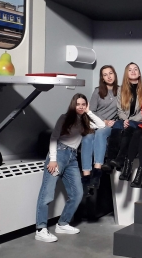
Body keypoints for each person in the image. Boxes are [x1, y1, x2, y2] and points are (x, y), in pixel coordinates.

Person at [35, 94, 105, 243]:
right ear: (73, 105)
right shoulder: (64, 118)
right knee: (47, 194)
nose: (80, 106)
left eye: (83, 104)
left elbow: (101, 125)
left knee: (77, 193)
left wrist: (89, 112)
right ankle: (40, 229)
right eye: (78, 104)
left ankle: (63, 223)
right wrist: (53, 159)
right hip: (59, 155)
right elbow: (54, 137)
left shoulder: (85, 121)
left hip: (72, 158)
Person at [81, 65, 119, 189]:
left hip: (110, 125)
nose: (109, 76)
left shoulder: (121, 91)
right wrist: (104, 120)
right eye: (105, 75)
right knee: (87, 138)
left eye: (111, 73)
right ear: (102, 78)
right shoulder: (97, 91)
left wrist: (112, 122)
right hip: (96, 122)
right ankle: (86, 176)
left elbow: (124, 110)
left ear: (115, 74)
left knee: (101, 133)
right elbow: (91, 110)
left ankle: (97, 171)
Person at [106, 62, 142, 171]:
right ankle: (109, 162)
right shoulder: (121, 89)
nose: (133, 71)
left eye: (135, 69)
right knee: (116, 125)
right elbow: (119, 109)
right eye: (130, 70)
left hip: (138, 120)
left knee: (130, 125)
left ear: (139, 73)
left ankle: (120, 160)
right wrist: (125, 120)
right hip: (123, 119)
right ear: (126, 73)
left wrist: (130, 120)